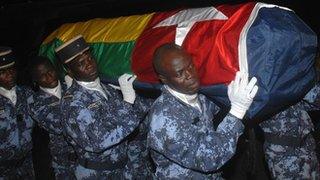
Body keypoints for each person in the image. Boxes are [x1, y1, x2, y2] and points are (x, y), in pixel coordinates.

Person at [147, 43, 259, 179]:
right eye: (180, 73)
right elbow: (208, 158)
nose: (190, 75)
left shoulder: (200, 96)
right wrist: (237, 110)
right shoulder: (164, 116)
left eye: (190, 66)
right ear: (164, 79)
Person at [56, 35, 150, 179]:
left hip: (123, 168)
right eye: (81, 63)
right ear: (69, 71)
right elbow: (97, 141)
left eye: (90, 59)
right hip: (97, 173)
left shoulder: (107, 88)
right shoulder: (72, 102)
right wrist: (127, 102)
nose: (89, 65)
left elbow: (136, 115)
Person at [27, 56, 77, 179]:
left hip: (90, 158)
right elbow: (60, 126)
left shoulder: (71, 85)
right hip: (65, 162)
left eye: (50, 71)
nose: (49, 76)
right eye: (42, 75)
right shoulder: (35, 102)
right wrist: (73, 93)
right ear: (35, 80)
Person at [259, 84, 320, 179]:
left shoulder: (294, 75)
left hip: (307, 148)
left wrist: (304, 84)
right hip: (284, 154)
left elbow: (315, 102)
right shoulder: (262, 79)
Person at [0, 46, 34, 179]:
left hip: (26, 165)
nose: (10, 74)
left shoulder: (27, 94)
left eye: (12, 69)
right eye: (2, 71)